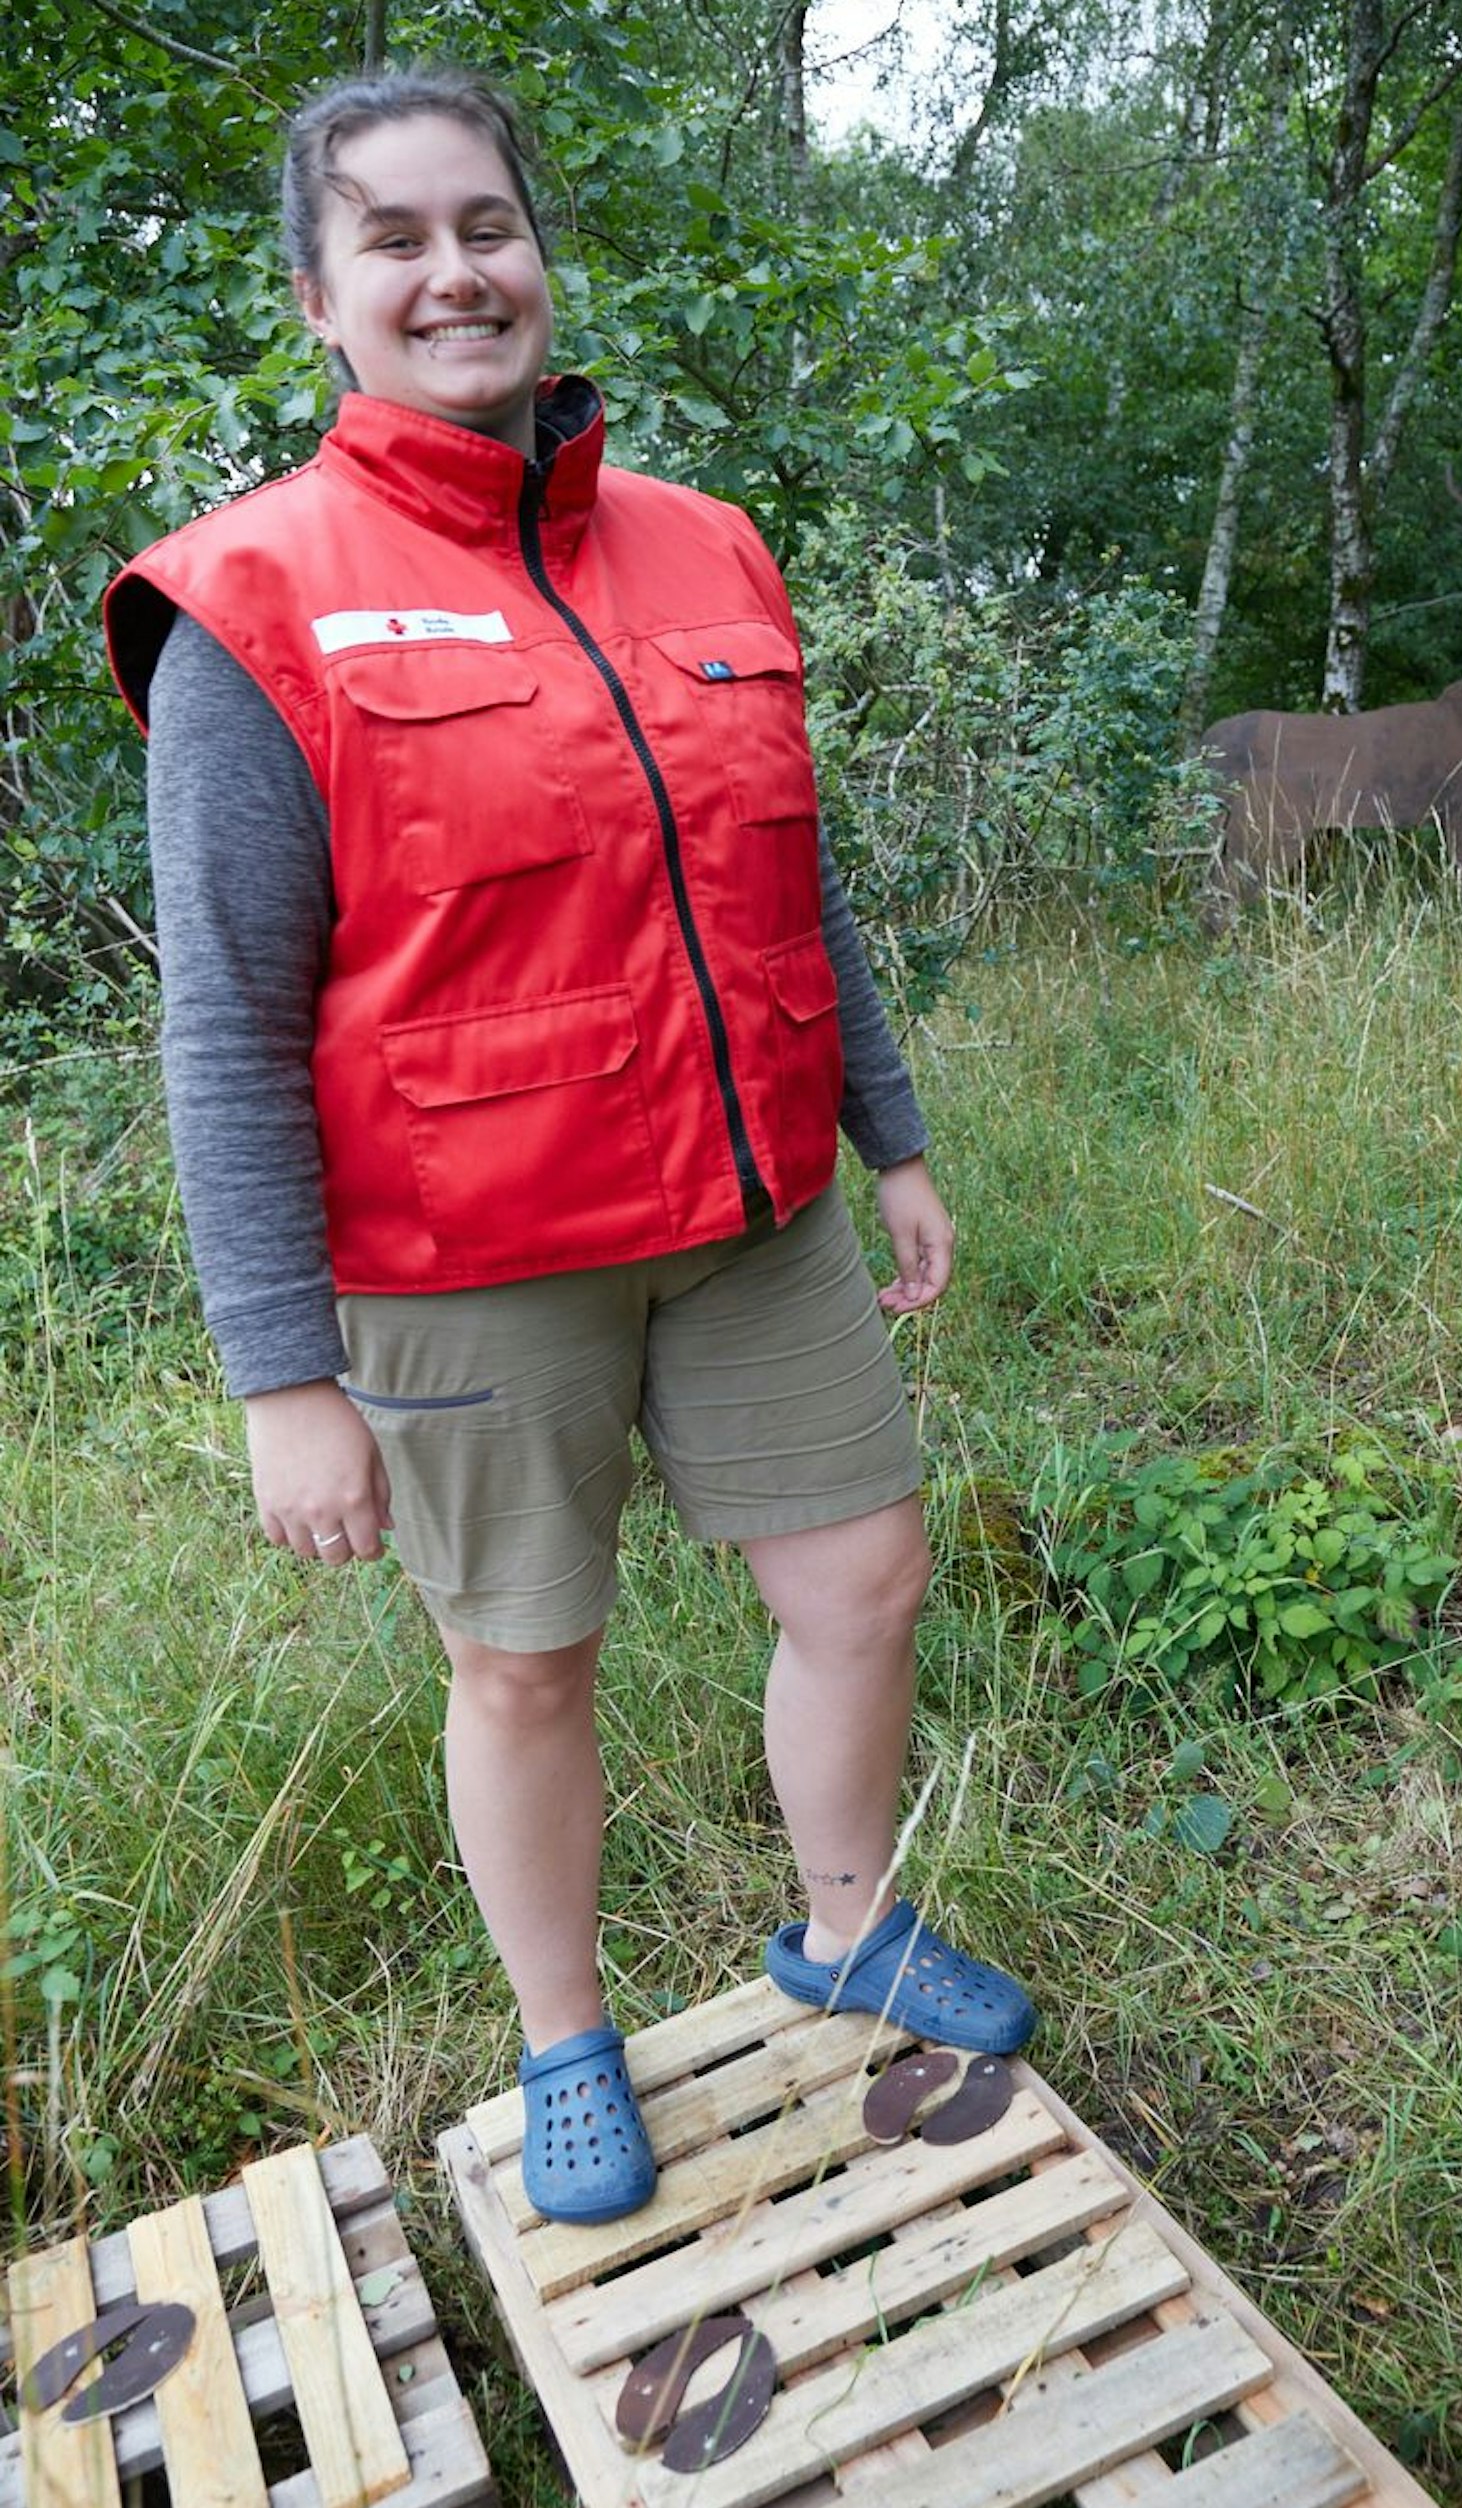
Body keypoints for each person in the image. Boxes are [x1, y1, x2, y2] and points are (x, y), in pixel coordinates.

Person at [104, 68, 1034, 2227]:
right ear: (319, 298)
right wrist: (278, 1377)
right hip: (466, 1259)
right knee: (523, 1658)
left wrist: (886, 1136)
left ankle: (843, 1923)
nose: (458, 271)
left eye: (488, 223)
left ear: (540, 248)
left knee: (864, 1577)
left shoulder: (701, 542)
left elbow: (787, 886)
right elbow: (226, 1022)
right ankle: (563, 2039)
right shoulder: (253, 598)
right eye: (396, 239)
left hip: (752, 1214)